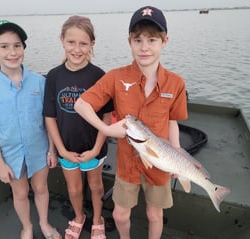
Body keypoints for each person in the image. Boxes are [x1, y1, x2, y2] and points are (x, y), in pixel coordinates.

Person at [74, 6, 188, 239]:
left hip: (161, 162)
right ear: (130, 42)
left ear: (164, 41)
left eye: (152, 39)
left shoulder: (176, 83)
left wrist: (177, 154)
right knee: (119, 215)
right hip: (127, 165)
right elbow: (81, 104)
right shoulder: (116, 76)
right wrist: (106, 129)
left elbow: (173, 121)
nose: (144, 47)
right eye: (138, 40)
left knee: (155, 215)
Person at [0, 20, 62, 239]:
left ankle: (44, 223)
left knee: (41, 188)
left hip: (40, 149)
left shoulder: (39, 82)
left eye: (17, 45)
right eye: (4, 46)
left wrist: (52, 150)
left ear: (23, 48)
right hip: (10, 154)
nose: (12, 52)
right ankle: (27, 226)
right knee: (20, 192)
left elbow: (48, 119)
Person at [43, 16, 113, 239]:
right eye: (71, 42)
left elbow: (107, 116)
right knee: (74, 189)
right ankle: (79, 216)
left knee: (95, 186)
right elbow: (50, 116)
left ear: (92, 44)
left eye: (83, 43)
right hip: (67, 150)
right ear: (62, 40)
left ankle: (98, 219)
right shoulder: (54, 76)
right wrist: (59, 150)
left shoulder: (99, 75)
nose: (77, 49)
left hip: (93, 149)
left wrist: (96, 149)